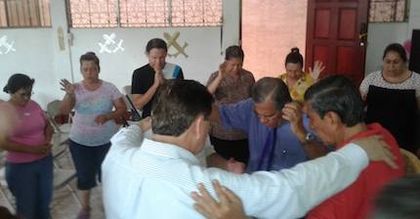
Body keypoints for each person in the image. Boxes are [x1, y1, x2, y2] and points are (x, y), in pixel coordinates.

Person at [102, 79, 396, 219]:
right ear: (199, 126)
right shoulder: (202, 186)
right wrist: (358, 153)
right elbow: (289, 190)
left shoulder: (116, 156)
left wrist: (141, 124)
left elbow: (123, 137)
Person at [303, 75, 404, 219]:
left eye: (310, 118)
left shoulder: (346, 171)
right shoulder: (382, 135)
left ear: (331, 119)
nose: (311, 126)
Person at [59, 52, 126, 219]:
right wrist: (69, 94)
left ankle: (109, 204)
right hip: (80, 142)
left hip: (106, 141)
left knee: (108, 175)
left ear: (99, 69)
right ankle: (85, 208)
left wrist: (108, 116)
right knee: (84, 176)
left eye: (93, 69)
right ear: (81, 70)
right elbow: (63, 111)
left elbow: (122, 109)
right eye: (85, 69)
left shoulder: (109, 87)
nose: (89, 73)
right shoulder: (75, 88)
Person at [211, 77, 325, 173]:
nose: (262, 121)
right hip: (256, 183)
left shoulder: (309, 121)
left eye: (269, 116)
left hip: (289, 190)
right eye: (258, 115)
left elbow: (325, 161)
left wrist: (302, 134)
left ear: (286, 107)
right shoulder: (250, 108)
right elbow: (219, 114)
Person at [0, 74, 53, 219]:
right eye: (23, 94)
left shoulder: (34, 105)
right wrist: (33, 150)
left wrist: (47, 140)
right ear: (11, 92)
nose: (27, 98)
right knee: (26, 209)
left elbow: (48, 126)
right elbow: (2, 142)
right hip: (21, 167)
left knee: (44, 205)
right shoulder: (4, 110)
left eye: (30, 93)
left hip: (44, 162)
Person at [360, 43, 420, 155]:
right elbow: (358, 106)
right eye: (388, 62)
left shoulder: (416, 81)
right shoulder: (371, 79)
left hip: (405, 137)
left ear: (404, 62)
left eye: (396, 62)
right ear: (383, 61)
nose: (391, 66)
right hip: (375, 136)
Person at [207, 45, 255, 164]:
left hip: (242, 133)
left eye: (239, 65)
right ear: (225, 62)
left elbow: (254, 99)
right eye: (232, 65)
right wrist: (220, 77)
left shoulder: (248, 77)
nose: (236, 68)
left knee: (242, 165)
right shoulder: (216, 76)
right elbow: (206, 96)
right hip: (221, 132)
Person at [131, 38, 184, 118]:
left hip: (172, 116)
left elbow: (180, 100)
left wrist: (164, 83)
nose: (158, 62)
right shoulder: (139, 73)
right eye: (154, 58)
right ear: (147, 55)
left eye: (161, 57)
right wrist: (155, 85)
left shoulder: (176, 70)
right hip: (149, 118)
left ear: (166, 54)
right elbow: (138, 104)